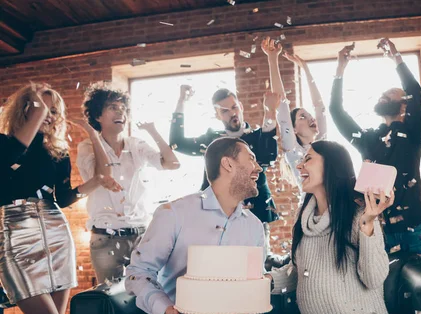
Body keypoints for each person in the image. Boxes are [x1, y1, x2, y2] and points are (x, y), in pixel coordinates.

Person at [125, 137, 269, 314]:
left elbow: (250, 290)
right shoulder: (174, 213)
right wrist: (165, 310)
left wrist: (257, 293)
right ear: (227, 164)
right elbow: (138, 272)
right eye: (251, 159)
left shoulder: (254, 227)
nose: (258, 168)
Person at [0, 84, 119, 314]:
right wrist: (37, 106)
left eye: (55, 111)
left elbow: (64, 197)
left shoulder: (56, 151)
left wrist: (93, 180)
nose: (49, 116)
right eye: (42, 109)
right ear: (26, 110)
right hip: (16, 236)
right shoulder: (5, 145)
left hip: (56, 233)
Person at [268, 140, 394, 314]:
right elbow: (296, 272)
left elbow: (374, 278)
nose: (300, 165)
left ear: (331, 166)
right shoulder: (304, 222)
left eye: (309, 159)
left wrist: (368, 223)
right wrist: (263, 281)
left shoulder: (359, 216)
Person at [330, 38, 421, 258]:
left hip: (415, 226)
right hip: (380, 229)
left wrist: (396, 57)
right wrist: (340, 68)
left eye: (390, 94)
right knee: (385, 290)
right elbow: (336, 111)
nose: (383, 96)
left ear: (404, 103)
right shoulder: (368, 138)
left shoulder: (413, 131)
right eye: (382, 95)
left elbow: (415, 91)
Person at [77, 82, 180, 284]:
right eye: (113, 108)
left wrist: (153, 131)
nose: (120, 112)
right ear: (98, 116)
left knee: (149, 293)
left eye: (123, 108)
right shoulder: (87, 147)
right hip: (105, 238)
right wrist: (93, 135)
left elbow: (172, 163)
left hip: (141, 235)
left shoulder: (136, 145)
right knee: (111, 298)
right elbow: (101, 175)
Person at [169, 85, 280, 224]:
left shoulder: (258, 137)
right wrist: (181, 101)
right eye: (225, 111)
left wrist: (270, 112)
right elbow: (177, 143)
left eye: (234, 107)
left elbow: (268, 157)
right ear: (217, 115)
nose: (232, 113)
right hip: (215, 214)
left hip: (255, 213)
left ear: (241, 106)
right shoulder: (211, 140)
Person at [262, 36, 327, 189]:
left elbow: (320, 107)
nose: (311, 117)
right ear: (294, 129)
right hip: (309, 209)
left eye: (309, 115)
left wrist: (305, 68)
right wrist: (272, 59)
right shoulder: (292, 149)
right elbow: (282, 107)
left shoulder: (323, 144)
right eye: (302, 117)